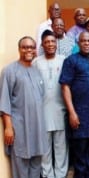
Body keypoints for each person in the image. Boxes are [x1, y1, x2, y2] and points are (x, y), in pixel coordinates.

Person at [0, 36, 48, 178]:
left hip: (37, 128)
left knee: (36, 164)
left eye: (32, 47)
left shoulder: (36, 71)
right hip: (20, 128)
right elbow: (4, 100)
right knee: (21, 165)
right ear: (19, 49)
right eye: (25, 47)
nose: (29, 50)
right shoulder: (9, 71)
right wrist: (8, 127)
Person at [59, 32, 89, 178]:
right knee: (79, 151)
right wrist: (72, 113)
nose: (86, 43)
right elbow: (65, 87)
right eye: (83, 41)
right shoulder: (71, 61)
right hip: (79, 114)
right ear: (78, 43)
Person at [33, 30, 69, 178]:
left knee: (61, 147)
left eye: (53, 41)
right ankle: (47, 175)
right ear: (42, 44)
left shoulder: (64, 60)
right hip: (42, 111)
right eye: (47, 42)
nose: (50, 44)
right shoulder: (36, 62)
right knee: (45, 148)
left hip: (60, 110)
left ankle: (60, 175)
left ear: (56, 43)